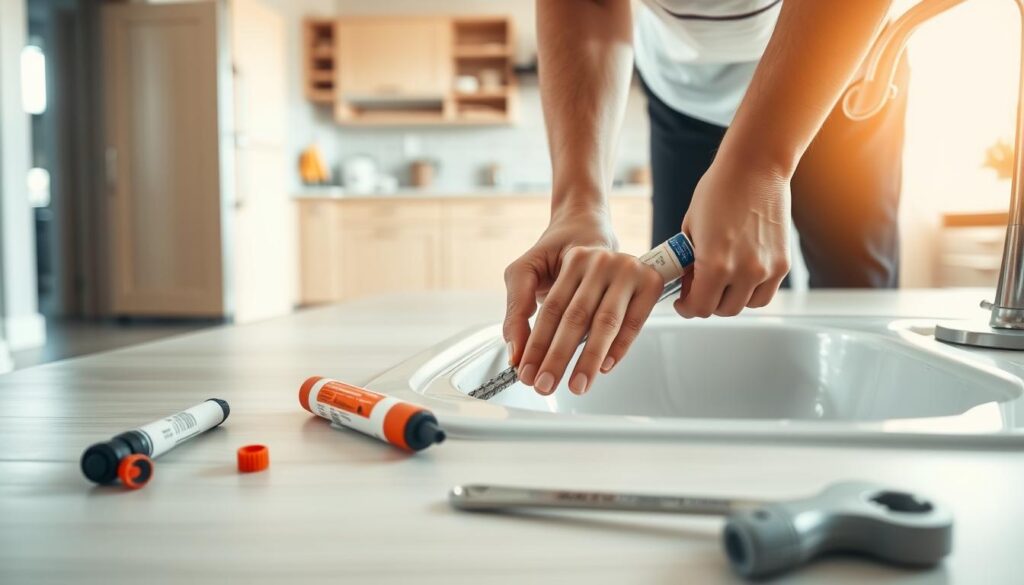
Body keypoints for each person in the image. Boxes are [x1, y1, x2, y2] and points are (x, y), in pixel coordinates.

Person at [503, 0, 908, 396]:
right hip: (684, 92)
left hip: (843, 73)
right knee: (704, 307)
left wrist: (760, 165)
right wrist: (579, 204)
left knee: (858, 298)